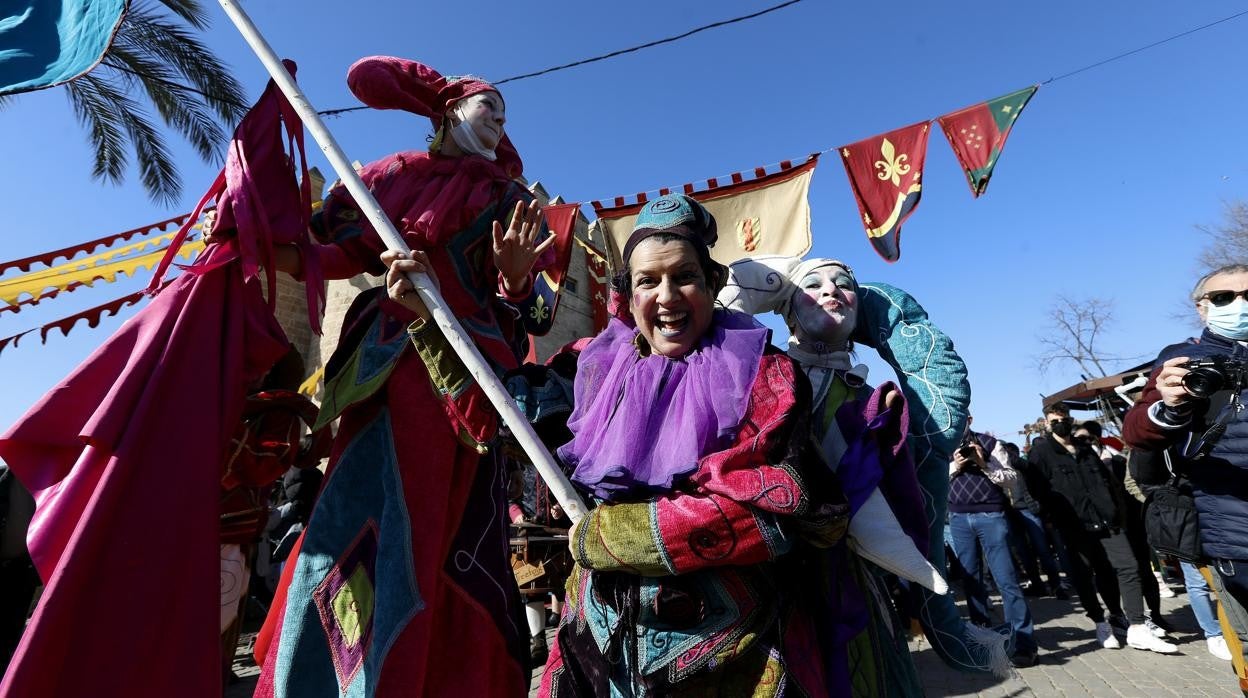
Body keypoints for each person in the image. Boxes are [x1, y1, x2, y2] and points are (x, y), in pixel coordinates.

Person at [252, 57, 564, 697]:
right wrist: (262, 247)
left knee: (433, 529)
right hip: (381, 373)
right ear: (451, 111)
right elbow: (337, 253)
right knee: (348, 517)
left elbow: (537, 311)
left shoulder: (510, 200)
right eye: (489, 106)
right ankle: (318, 674)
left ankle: (421, 677)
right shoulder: (392, 175)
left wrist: (515, 280)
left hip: (460, 386)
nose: (500, 120)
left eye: (505, 114)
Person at [536, 194, 851, 696]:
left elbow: (785, 513)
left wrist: (616, 534)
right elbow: (497, 411)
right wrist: (457, 305)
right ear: (627, 294)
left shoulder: (766, 376)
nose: (666, 296)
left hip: (729, 656)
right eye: (647, 281)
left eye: (684, 276)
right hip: (598, 650)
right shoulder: (588, 369)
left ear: (712, 283)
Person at [719, 255, 952, 690]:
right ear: (788, 310)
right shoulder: (760, 376)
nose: (831, 290)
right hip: (776, 569)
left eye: (843, 283)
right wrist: (774, 284)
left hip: (854, 574)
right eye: (813, 285)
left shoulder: (873, 397)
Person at [1123, 263, 1248, 654]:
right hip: (1236, 530)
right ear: (1202, 307)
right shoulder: (1185, 360)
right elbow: (1137, 431)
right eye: (1224, 297)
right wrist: (1170, 405)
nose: (1240, 305)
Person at [1026, 404, 1177, 653]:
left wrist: (1116, 511)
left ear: (1071, 420)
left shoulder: (1085, 449)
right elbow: (1036, 491)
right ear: (1046, 424)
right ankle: (1101, 621)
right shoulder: (1041, 454)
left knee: (1128, 568)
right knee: (1086, 575)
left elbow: (1107, 481)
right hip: (1075, 526)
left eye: (1064, 419)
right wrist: (1052, 518)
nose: (1061, 424)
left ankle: (1137, 626)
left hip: (1107, 520)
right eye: (1055, 421)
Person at [947, 426, 1039, 666]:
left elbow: (1011, 478)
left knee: (1006, 580)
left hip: (991, 516)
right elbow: (933, 479)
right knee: (971, 580)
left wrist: (984, 463)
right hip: (958, 518)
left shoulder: (990, 443)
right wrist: (955, 466)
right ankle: (983, 641)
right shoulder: (943, 444)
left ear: (969, 419)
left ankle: (1024, 644)